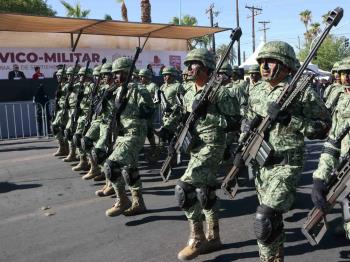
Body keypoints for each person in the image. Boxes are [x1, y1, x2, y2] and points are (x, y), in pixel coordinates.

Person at [244, 41, 331, 261]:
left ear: (286, 65)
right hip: (261, 162)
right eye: (261, 61)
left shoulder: (300, 90)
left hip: (288, 163)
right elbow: (248, 118)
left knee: (264, 218)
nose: (264, 66)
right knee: (272, 221)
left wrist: (289, 119)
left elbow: (323, 127)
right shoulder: (256, 90)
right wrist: (243, 140)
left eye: (270, 61)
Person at [159, 48, 240, 261]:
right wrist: (174, 140)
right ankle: (214, 237)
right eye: (187, 65)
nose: (187, 69)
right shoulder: (188, 91)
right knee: (205, 191)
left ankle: (197, 238)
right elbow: (186, 119)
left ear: (205, 68)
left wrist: (210, 114)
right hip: (195, 145)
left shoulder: (221, 92)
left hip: (213, 145)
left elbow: (235, 122)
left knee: (184, 188)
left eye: (192, 64)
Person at [103, 57, 154, 217]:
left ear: (127, 72)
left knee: (111, 165)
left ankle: (122, 200)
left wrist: (139, 111)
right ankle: (139, 203)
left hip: (134, 134)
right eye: (115, 73)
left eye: (118, 73)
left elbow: (149, 110)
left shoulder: (139, 89)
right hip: (121, 134)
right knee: (129, 170)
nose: (115, 76)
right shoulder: (118, 90)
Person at [312, 58, 350, 240]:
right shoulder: (343, 101)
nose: (347, 78)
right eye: (343, 73)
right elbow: (332, 143)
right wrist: (320, 178)